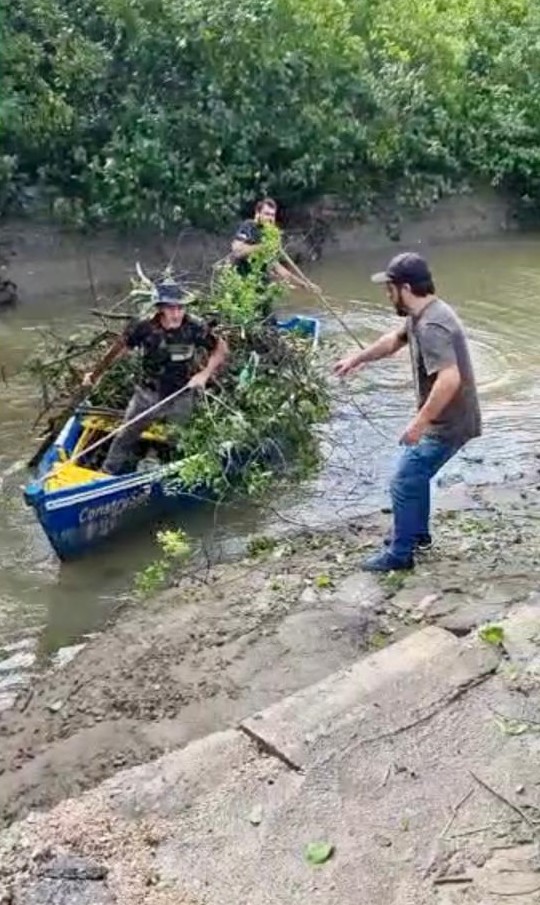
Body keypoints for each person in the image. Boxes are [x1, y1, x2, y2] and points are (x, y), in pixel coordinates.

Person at [334, 252, 482, 572]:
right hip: (448, 418)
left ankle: (401, 554)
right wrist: (357, 359)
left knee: (403, 479)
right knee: (416, 475)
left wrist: (420, 422)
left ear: (405, 288)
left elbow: (450, 378)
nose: (387, 295)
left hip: (449, 422)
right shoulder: (421, 315)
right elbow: (394, 341)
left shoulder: (432, 324)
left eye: (389, 289)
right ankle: (417, 535)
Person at [83, 279, 228, 475]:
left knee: (178, 440)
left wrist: (204, 374)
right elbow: (118, 350)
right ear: (160, 308)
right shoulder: (144, 326)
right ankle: (106, 473)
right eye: (171, 309)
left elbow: (221, 348)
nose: (177, 314)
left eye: (180, 308)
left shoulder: (194, 326)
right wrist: (95, 375)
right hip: (147, 394)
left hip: (181, 394)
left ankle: (164, 468)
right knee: (125, 435)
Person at [230, 197, 320, 297]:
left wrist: (304, 285)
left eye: (272, 215)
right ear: (258, 213)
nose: (270, 218)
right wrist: (263, 247)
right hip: (243, 286)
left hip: (261, 290)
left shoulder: (269, 236)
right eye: (267, 214)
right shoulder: (249, 226)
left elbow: (278, 269)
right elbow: (237, 251)